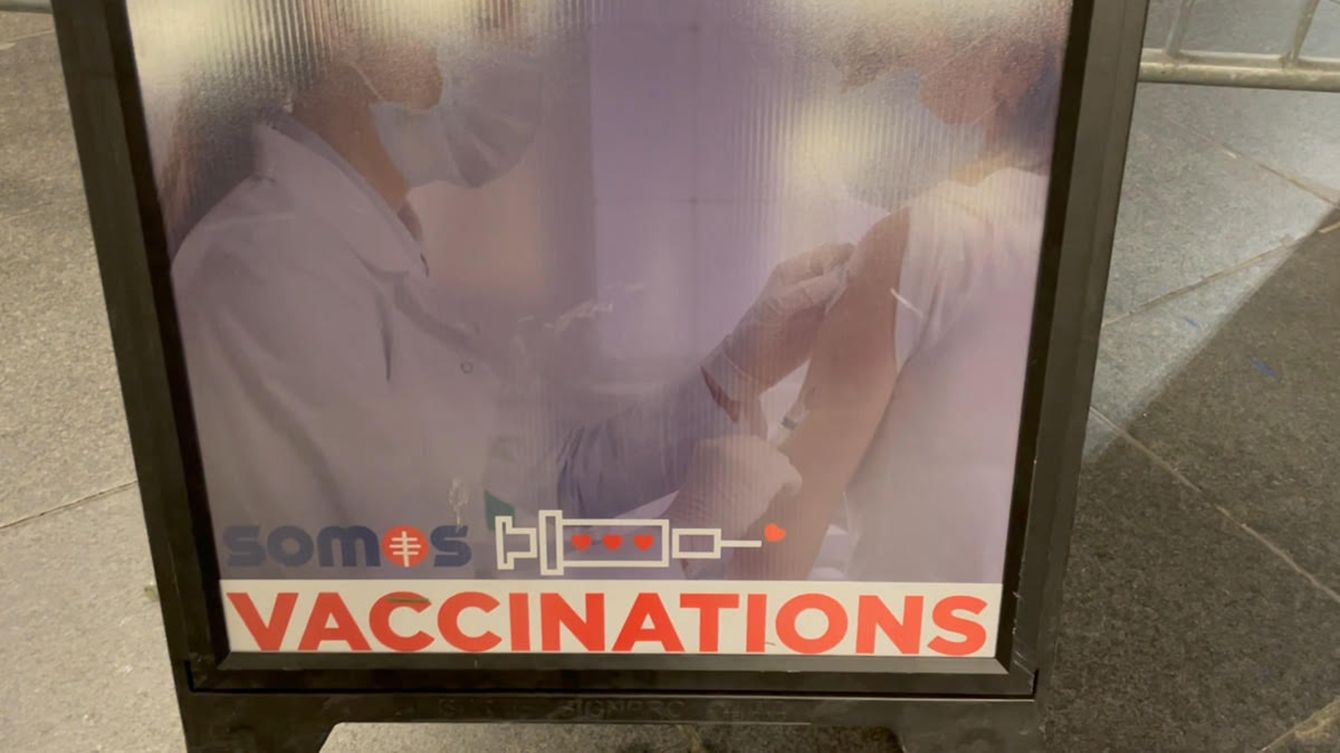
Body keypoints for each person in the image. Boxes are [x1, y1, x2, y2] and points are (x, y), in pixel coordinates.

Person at [164, 2, 848, 576]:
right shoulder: (267, 273)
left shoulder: (367, 240)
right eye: (484, 15)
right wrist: (677, 543)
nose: (513, 55)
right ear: (335, 22)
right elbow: (411, 595)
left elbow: (521, 495)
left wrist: (731, 375)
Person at [730, 2, 1068, 582]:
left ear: (1017, 63)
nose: (916, 44)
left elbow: (774, 546)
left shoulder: (924, 239)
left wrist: (740, 383)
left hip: (907, 622)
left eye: (933, 25)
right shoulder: (1076, 225)